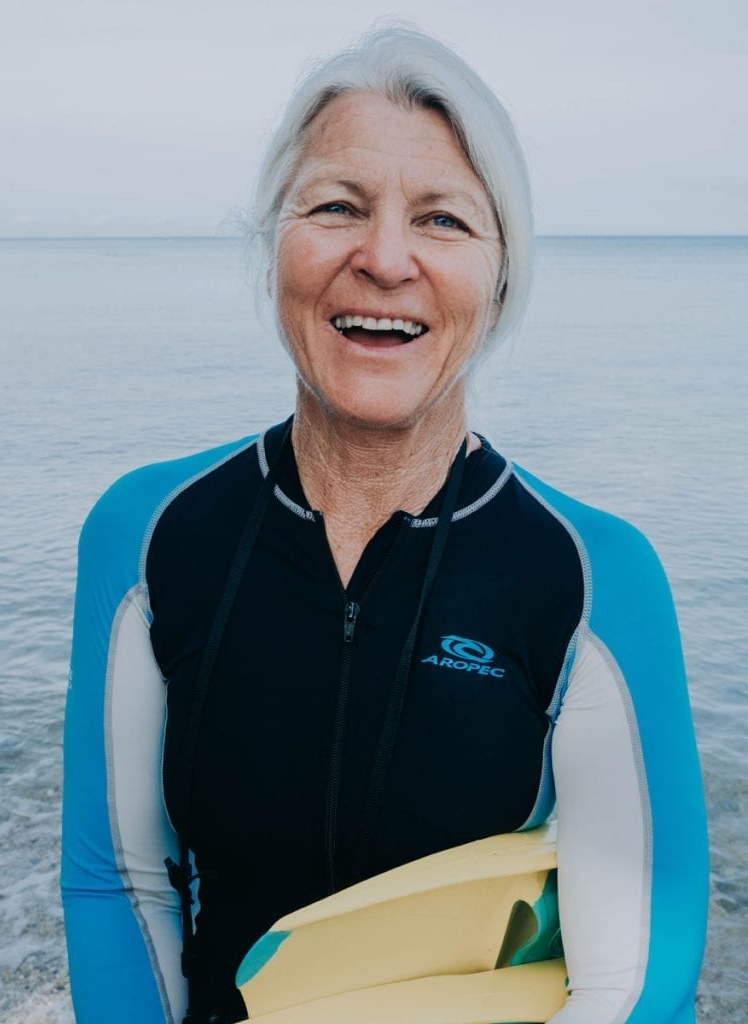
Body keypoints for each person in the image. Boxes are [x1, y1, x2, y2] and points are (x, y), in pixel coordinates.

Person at [61, 24, 709, 1024]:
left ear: (499, 277)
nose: (386, 258)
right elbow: (121, 885)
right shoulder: (148, 539)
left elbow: (635, 973)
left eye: (443, 220)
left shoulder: (592, 578)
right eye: (337, 207)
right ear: (276, 244)